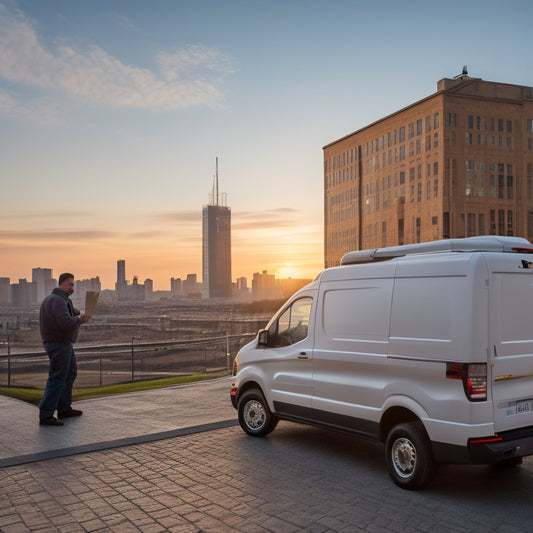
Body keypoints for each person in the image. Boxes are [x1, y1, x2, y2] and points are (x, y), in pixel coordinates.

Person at [38, 273, 90, 426]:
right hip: (59, 343)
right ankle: (46, 414)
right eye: (70, 284)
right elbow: (66, 323)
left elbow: (71, 314)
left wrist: (80, 316)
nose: (72, 288)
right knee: (57, 378)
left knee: (70, 373)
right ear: (61, 284)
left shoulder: (53, 299)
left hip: (58, 343)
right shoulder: (58, 301)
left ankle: (64, 408)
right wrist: (80, 319)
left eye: (73, 285)